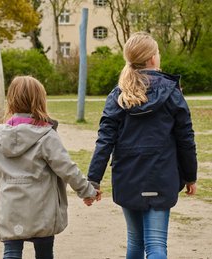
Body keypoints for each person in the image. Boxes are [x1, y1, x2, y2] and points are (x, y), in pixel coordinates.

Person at [87, 32, 197, 259]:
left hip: (128, 177)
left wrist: (93, 180)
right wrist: (190, 176)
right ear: (152, 59)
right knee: (156, 245)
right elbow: (186, 139)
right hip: (162, 176)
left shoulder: (118, 96)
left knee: (135, 242)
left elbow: (104, 141)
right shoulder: (172, 93)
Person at [0, 75, 99, 259]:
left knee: (11, 252)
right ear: (40, 100)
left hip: (11, 207)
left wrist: (7, 187)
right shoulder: (46, 136)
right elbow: (67, 168)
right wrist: (87, 191)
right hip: (43, 209)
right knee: (44, 252)